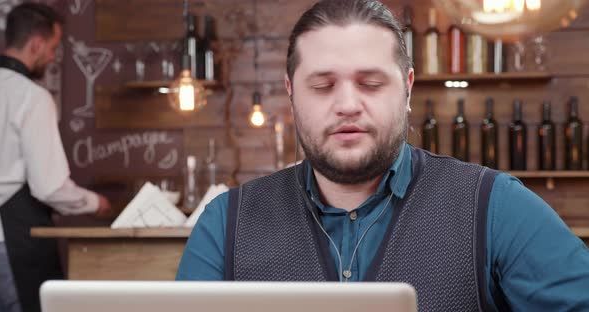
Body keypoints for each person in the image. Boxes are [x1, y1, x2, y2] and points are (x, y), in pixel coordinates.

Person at [176, 0, 589, 310]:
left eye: (371, 83)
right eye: (322, 86)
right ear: (290, 91)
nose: (348, 105)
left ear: (407, 88)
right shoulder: (224, 225)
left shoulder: (496, 205)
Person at [0, 3, 112, 312]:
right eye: (52, 48)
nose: (51, 57)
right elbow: (48, 186)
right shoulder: (31, 96)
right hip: (11, 244)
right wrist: (95, 204)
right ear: (35, 43)